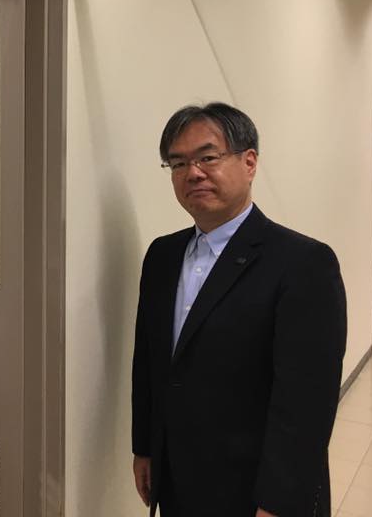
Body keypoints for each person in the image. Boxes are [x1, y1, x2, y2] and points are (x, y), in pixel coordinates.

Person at [131, 103, 346, 517]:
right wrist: (145, 446)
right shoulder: (162, 255)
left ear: (249, 163)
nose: (193, 173)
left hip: (255, 488)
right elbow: (149, 363)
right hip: (177, 476)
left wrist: (280, 502)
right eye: (178, 163)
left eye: (208, 157)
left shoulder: (303, 263)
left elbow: (307, 403)